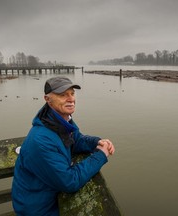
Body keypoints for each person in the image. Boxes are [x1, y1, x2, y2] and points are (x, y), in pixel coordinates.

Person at [12, 76, 115, 216]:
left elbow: (76, 140)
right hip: (38, 209)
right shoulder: (41, 140)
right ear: (47, 99)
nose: (71, 99)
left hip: (49, 198)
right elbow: (69, 181)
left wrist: (96, 142)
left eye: (72, 93)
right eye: (62, 95)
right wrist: (101, 155)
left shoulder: (60, 120)